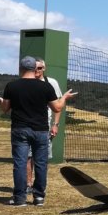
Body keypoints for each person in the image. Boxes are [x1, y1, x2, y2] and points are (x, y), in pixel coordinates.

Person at [0, 56, 76, 207]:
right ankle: (39, 197)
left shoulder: (11, 86)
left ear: (21, 68)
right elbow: (57, 108)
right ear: (35, 68)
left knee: (20, 163)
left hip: (20, 129)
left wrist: (1, 102)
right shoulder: (45, 86)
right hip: (40, 130)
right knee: (41, 163)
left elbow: (5, 108)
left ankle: (20, 198)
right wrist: (64, 97)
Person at [26, 58, 63, 187]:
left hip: (45, 126)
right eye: (35, 68)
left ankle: (40, 184)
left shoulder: (51, 83)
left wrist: (55, 124)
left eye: (40, 68)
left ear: (44, 68)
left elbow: (58, 106)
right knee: (27, 157)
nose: (37, 70)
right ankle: (28, 183)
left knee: (42, 158)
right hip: (27, 125)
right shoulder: (26, 82)